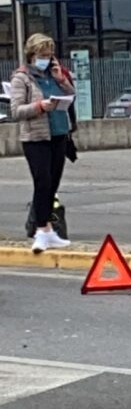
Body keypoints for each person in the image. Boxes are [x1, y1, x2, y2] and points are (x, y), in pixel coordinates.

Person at [10, 33, 75, 254]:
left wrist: (61, 79)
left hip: (58, 133)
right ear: (32, 55)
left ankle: (48, 230)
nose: (46, 59)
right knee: (43, 181)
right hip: (36, 137)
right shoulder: (22, 78)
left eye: (49, 55)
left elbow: (71, 95)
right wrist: (39, 106)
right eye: (42, 55)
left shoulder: (54, 75)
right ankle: (41, 229)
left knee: (53, 183)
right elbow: (17, 110)